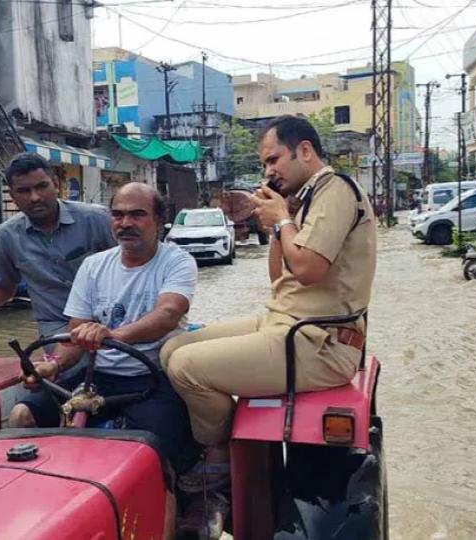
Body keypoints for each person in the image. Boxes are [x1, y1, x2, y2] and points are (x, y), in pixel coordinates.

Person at [161, 115, 377, 497]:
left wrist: (282, 219)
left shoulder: (336, 190)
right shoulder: (305, 199)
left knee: (185, 366)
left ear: (304, 151)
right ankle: (218, 437)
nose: (268, 172)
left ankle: (221, 453)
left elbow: (307, 269)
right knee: (172, 347)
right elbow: (279, 278)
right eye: (264, 164)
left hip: (321, 342)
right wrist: (278, 224)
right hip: (285, 322)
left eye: (274, 160)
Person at [7, 182, 201, 480]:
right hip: (98, 376)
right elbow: (76, 334)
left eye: (137, 214)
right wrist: (53, 366)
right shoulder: (93, 266)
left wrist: (113, 336)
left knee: (159, 459)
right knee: (22, 415)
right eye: (118, 215)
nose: (125, 223)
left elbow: (167, 314)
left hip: (153, 378)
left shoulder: (177, 261)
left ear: (160, 220)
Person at [0, 153, 115, 339]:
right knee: (62, 356)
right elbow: (1, 290)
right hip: (57, 328)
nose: (35, 197)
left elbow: (129, 265)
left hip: (110, 322)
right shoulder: (7, 236)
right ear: (12, 195)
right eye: (23, 191)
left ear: (56, 184)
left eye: (41, 187)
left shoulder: (97, 219)